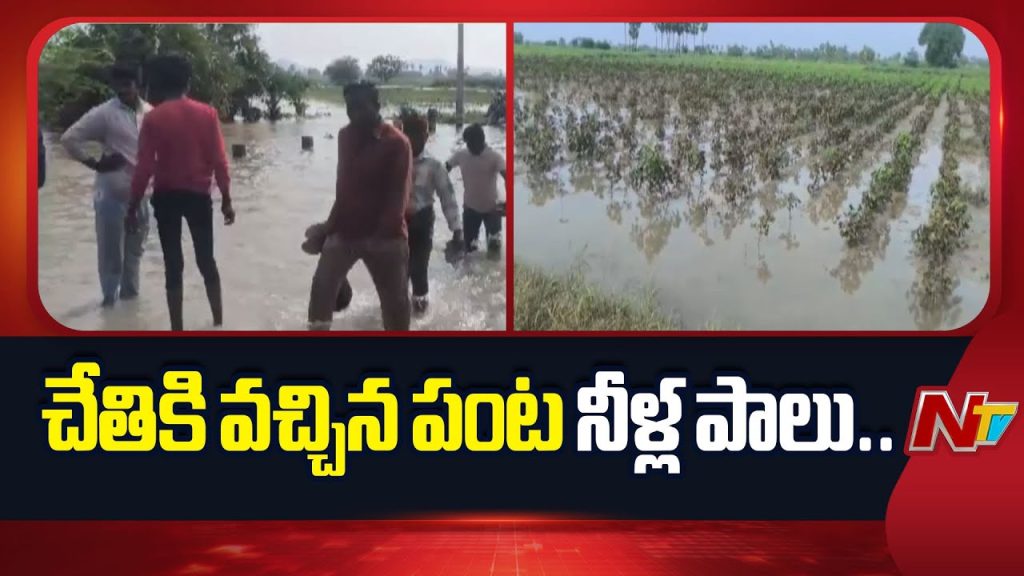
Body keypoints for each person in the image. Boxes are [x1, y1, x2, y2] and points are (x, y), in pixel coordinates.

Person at [128, 55, 235, 330]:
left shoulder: (153, 119)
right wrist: (226, 199)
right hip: (198, 196)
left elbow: (144, 168)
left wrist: (132, 206)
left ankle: (177, 331)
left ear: (162, 85)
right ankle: (219, 323)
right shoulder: (207, 114)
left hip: (166, 198)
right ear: (188, 82)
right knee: (206, 260)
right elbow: (219, 160)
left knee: (172, 265)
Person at [306, 81, 412, 331]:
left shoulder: (398, 143)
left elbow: (398, 200)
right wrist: (327, 228)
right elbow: (343, 188)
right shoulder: (345, 136)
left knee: (395, 306)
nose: (353, 114)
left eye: (360, 107)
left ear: (377, 106)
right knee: (321, 290)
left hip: (386, 236)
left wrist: (375, 239)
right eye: (349, 107)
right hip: (346, 231)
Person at [61, 64, 153, 307]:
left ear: (139, 85)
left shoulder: (152, 114)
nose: (122, 90)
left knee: (135, 255)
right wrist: (95, 164)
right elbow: (69, 138)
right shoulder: (104, 113)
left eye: (128, 85)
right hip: (111, 197)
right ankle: (109, 306)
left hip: (143, 198)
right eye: (118, 85)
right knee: (111, 257)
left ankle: (130, 310)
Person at [402, 115, 462, 315]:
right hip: (397, 223)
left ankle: (420, 319)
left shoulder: (434, 166)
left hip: (422, 221)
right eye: (407, 134)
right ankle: (397, 319)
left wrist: (457, 230)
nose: (411, 140)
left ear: (426, 136)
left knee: (419, 271)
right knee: (397, 275)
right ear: (402, 134)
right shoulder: (394, 160)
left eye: (417, 135)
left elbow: (448, 198)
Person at [446, 124, 506, 255]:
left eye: (472, 143)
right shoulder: (462, 155)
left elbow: (508, 177)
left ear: (481, 141)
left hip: (493, 209)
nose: (469, 146)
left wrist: (507, 202)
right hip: (470, 209)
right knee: (469, 251)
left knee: (494, 251)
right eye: (468, 143)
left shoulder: (494, 157)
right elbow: (445, 168)